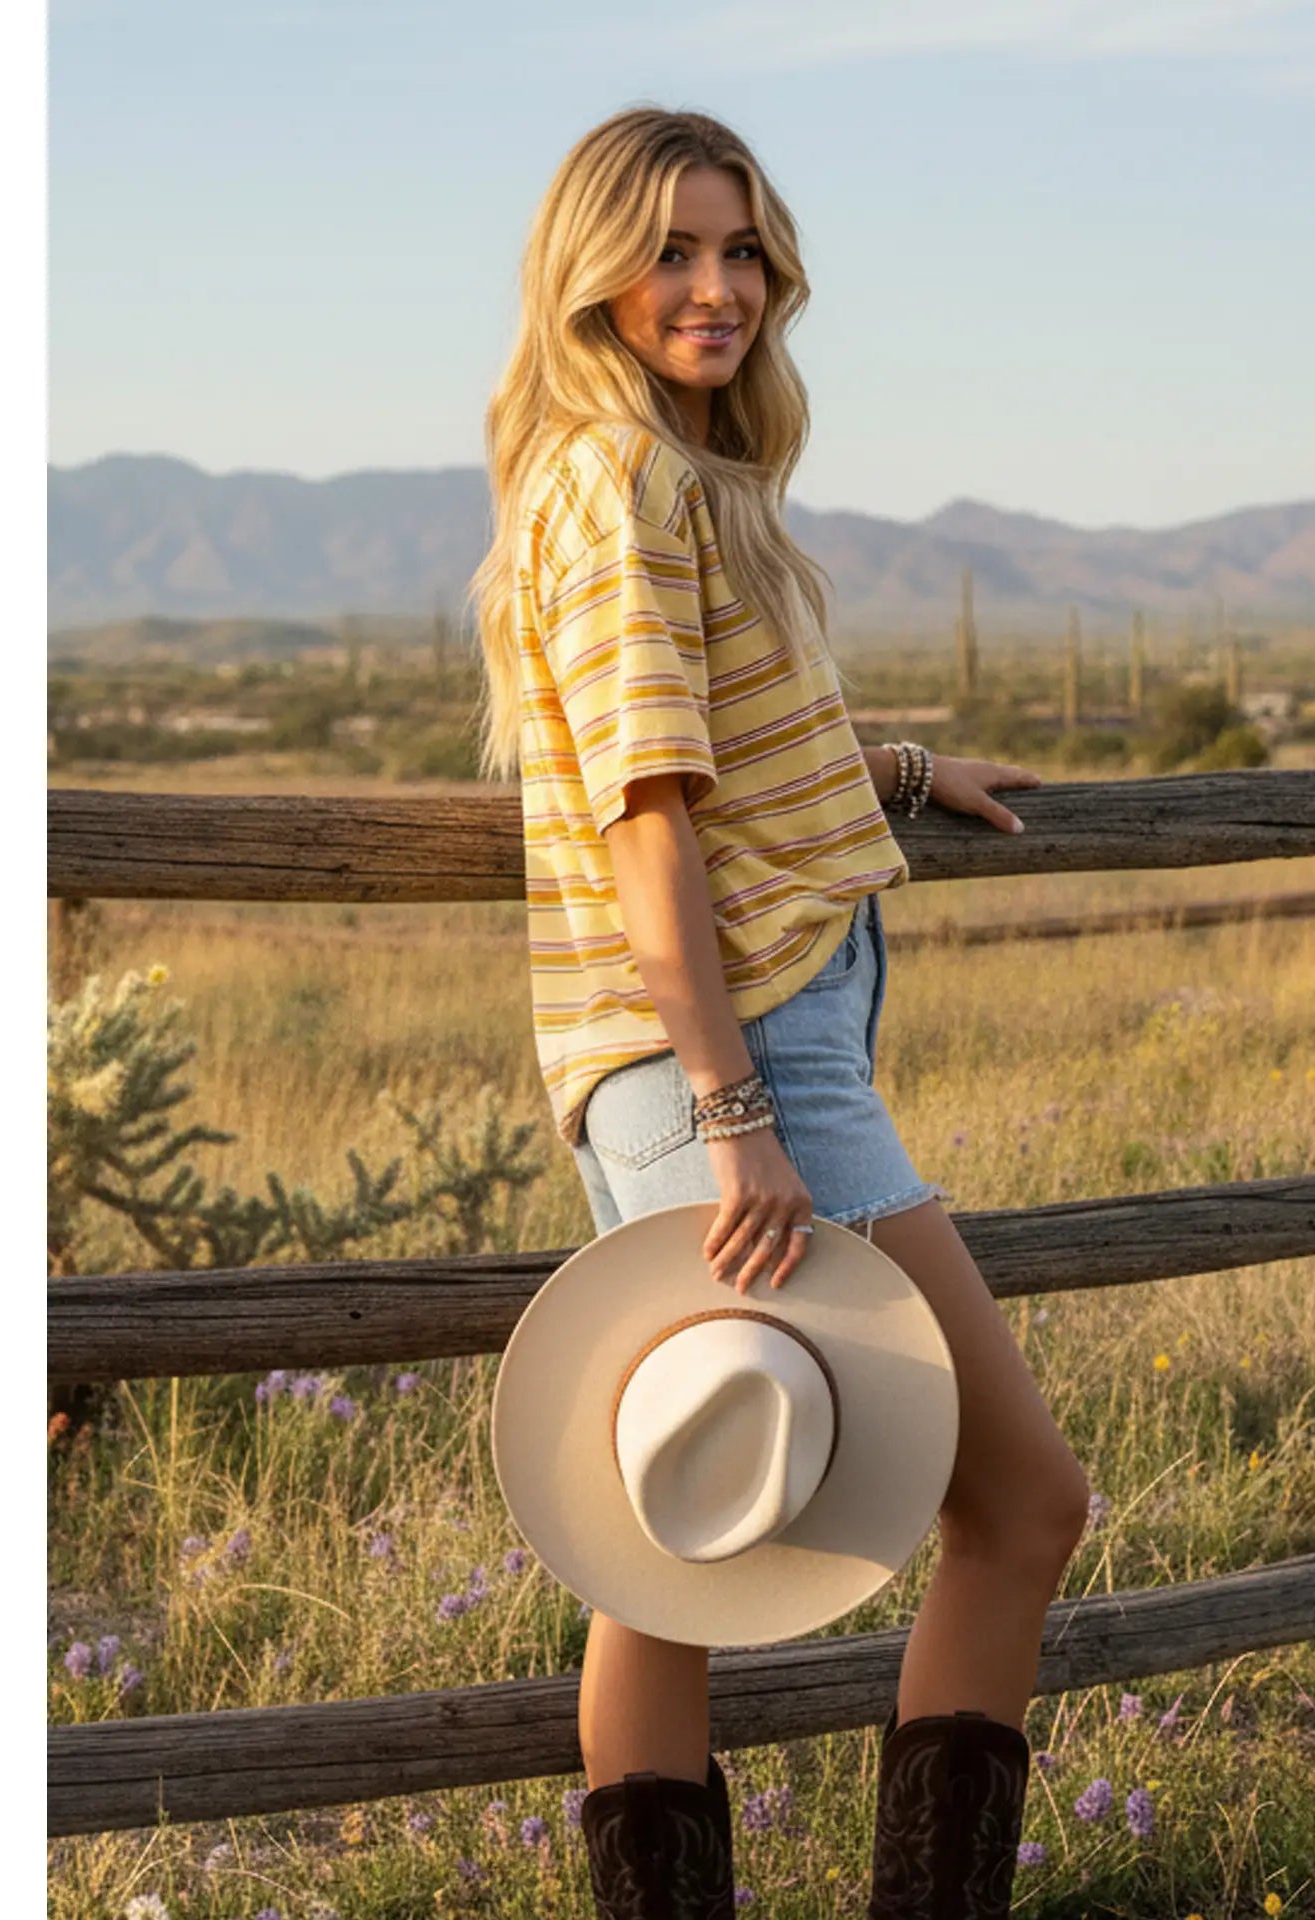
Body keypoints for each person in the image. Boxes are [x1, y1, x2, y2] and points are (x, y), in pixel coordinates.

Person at [466, 104, 1091, 1920]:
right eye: (671, 249)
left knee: (667, 1553)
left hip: (709, 1065)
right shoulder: (616, 479)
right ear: (592, 272)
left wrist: (885, 763)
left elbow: (703, 750)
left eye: (742, 252)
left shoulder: (659, 476)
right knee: (1019, 1508)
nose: (718, 287)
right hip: (739, 1068)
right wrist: (739, 1105)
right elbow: (643, 806)